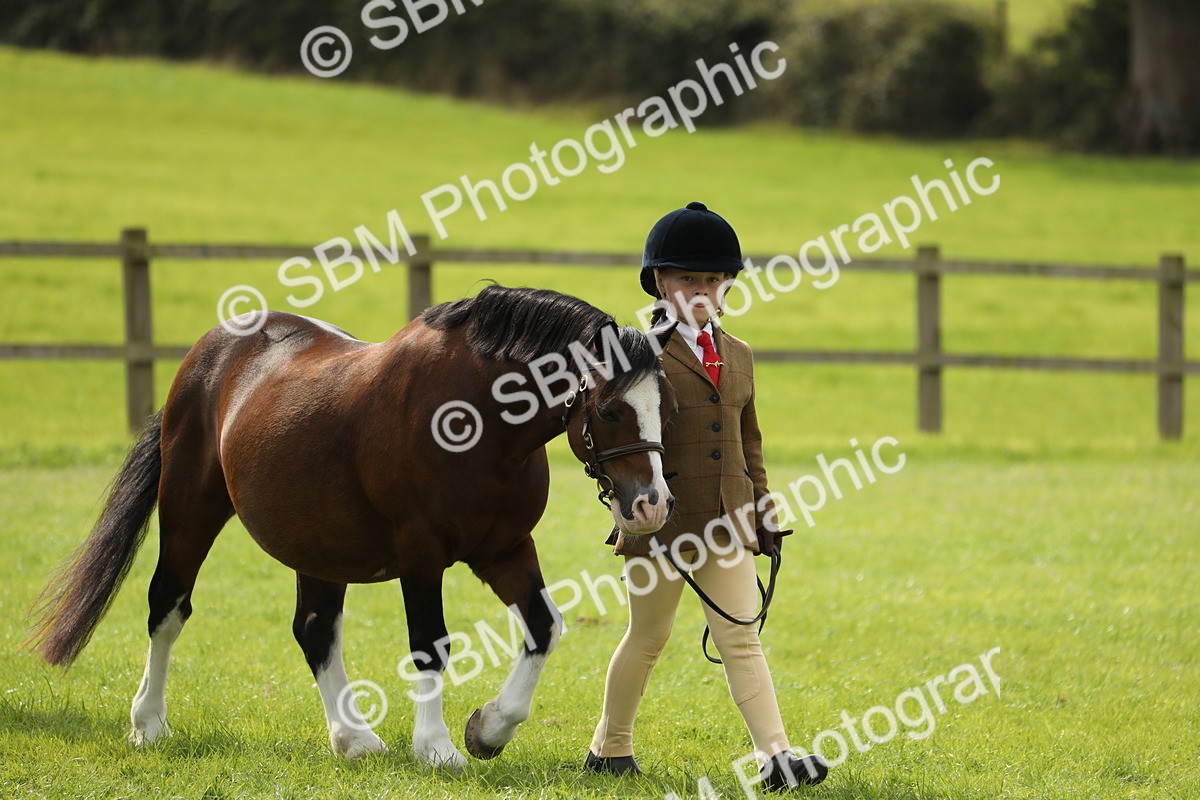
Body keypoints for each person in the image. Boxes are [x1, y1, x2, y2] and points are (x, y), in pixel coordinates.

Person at [583, 202, 828, 791]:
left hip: (729, 520)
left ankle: (777, 757)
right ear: (659, 282)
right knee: (648, 637)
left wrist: (763, 510)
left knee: (740, 633)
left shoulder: (740, 355)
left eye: (713, 281)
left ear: (727, 287)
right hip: (659, 521)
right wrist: (627, 513)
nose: (700, 291)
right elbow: (618, 440)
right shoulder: (633, 356)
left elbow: (750, 440)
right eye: (687, 279)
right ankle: (608, 747)